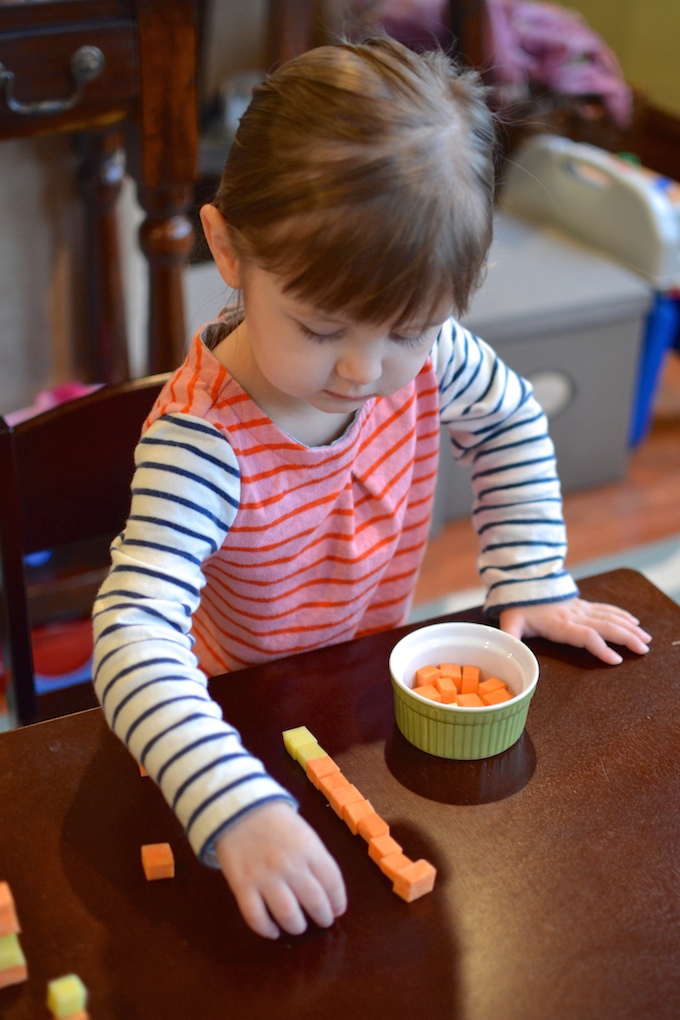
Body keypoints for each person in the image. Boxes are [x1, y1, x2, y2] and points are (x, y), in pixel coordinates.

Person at [92, 36, 650, 941]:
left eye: (410, 330)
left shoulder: (431, 362)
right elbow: (131, 631)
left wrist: (534, 576)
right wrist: (233, 804)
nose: (363, 369)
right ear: (229, 251)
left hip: (361, 687)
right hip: (231, 722)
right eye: (318, 328)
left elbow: (508, 423)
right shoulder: (203, 442)